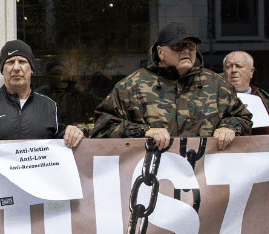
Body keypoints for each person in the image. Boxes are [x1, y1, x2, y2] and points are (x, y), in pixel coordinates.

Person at [91, 22, 252, 150]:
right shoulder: (131, 86)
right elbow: (102, 128)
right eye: (178, 46)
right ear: (160, 52)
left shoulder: (217, 86)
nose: (186, 51)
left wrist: (230, 127)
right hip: (151, 180)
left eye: (191, 46)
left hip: (204, 182)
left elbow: (244, 119)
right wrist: (144, 131)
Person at [0, 40, 83, 154]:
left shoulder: (49, 106)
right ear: (2, 70)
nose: (16, 68)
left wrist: (71, 132)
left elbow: (60, 141)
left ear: (31, 69)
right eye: (10, 62)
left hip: (36, 181)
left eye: (22, 61)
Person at [222, 50, 269, 134]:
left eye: (239, 66)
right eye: (229, 66)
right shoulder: (212, 98)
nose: (234, 70)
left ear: (251, 72)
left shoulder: (265, 98)